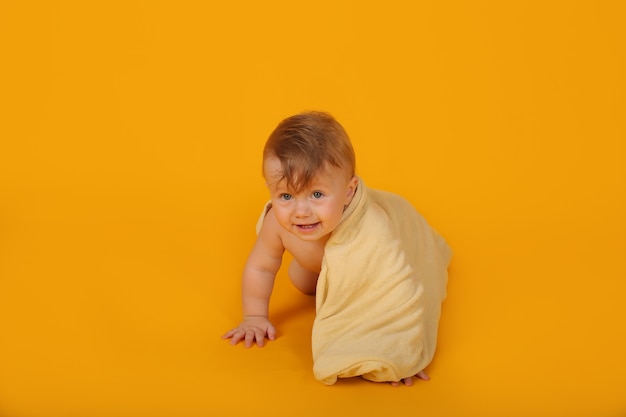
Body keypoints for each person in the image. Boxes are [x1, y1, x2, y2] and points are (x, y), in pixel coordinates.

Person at [222, 111, 451, 387]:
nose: (301, 212)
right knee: (301, 281)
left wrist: (401, 351)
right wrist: (254, 318)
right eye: (286, 196)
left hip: (376, 262)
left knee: (385, 280)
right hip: (317, 266)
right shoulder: (278, 224)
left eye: (317, 195)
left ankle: (344, 287)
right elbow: (261, 266)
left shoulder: (373, 230)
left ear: (349, 192)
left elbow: (397, 291)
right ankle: (328, 278)